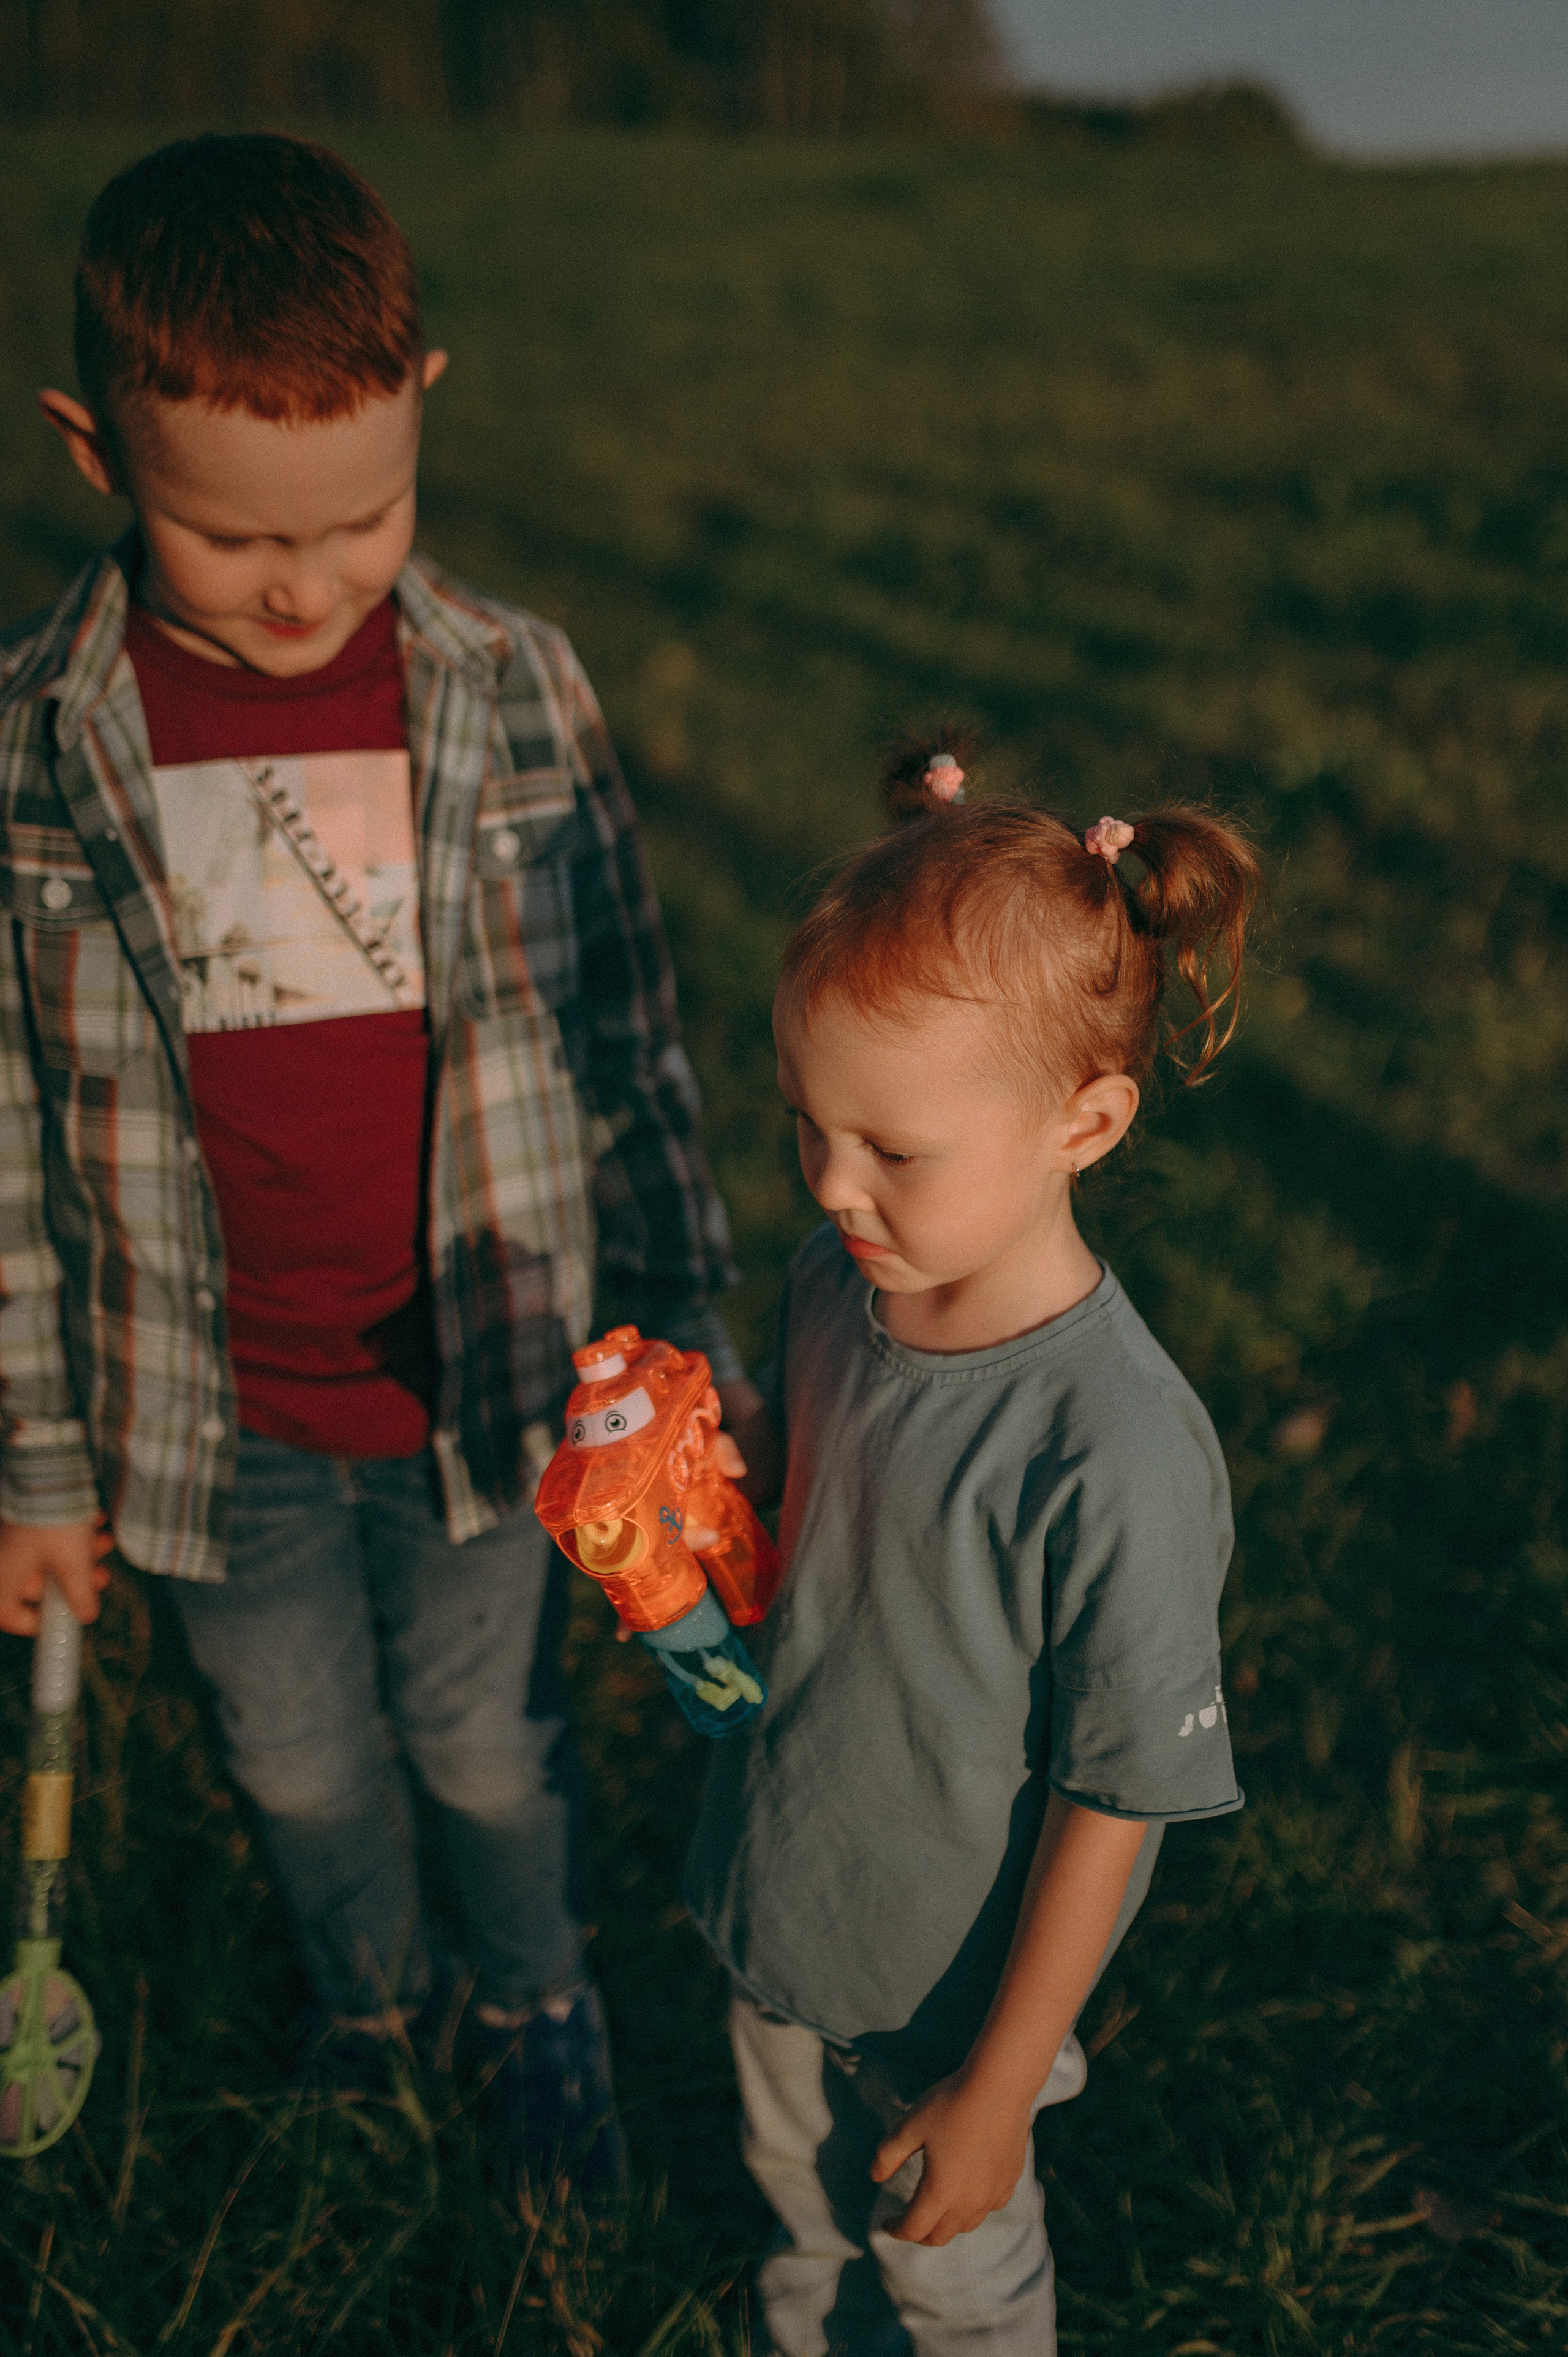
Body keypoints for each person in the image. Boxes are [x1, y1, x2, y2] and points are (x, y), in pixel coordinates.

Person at [0, 132, 760, 2190]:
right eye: (233, 541)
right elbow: (9, 1134)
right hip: (210, 1404)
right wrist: (42, 1469)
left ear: (420, 401)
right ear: (92, 450)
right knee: (295, 1750)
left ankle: (534, 2004)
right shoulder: (42, 745)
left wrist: (687, 1328)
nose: (305, 584)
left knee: (481, 1738)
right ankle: (372, 2002)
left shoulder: (509, 692)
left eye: (361, 519)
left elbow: (629, 1034)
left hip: (485, 1381)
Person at [685, 740, 1259, 2353]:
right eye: (807, 1123)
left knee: (956, 2281)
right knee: (798, 2213)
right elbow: (818, 1524)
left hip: (949, 1993)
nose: (829, 1183)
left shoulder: (1115, 1449)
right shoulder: (830, 1280)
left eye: (893, 1152)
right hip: (788, 1887)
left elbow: (1117, 1794)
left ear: (1085, 1122)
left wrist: (1001, 2081)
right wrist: (699, 1514)